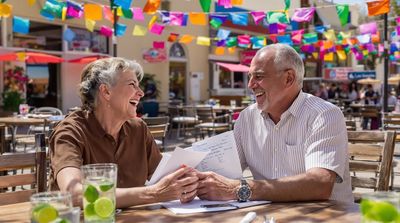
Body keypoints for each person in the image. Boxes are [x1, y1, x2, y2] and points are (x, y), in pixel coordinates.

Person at [195, 44, 353, 203]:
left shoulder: (323, 114)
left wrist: (240, 189)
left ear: (288, 78)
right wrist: (191, 177)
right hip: (269, 215)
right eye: (250, 76)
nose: (250, 84)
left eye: (258, 76)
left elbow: (319, 184)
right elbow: (222, 172)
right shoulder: (247, 118)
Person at [49, 58, 198, 208]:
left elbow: (162, 178)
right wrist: (153, 194)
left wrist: (189, 181)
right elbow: (74, 194)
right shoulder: (70, 132)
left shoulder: (138, 128)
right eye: (132, 85)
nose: (141, 93)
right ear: (106, 91)